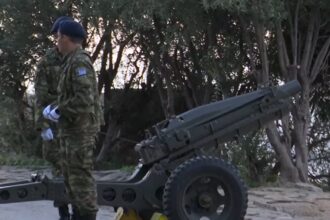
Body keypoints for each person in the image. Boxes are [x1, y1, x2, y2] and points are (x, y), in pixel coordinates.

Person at [43, 20, 103, 220]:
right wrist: (55, 108)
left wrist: (59, 110)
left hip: (80, 132)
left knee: (81, 180)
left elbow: (84, 100)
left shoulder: (79, 62)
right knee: (71, 180)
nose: (57, 41)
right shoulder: (70, 61)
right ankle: (78, 215)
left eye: (59, 37)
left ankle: (86, 217)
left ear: (67, 38)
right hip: (72, 131)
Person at [35, 16, 73, 220]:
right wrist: (43, 126)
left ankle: (80, 211)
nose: (59, 39)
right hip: (54, 122)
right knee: (59, 170)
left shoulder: (77, 59)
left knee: (76, 170)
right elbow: (40, 97)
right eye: (58, 36)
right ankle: (64, 213)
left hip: (75, 122)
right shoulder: (47, 62)